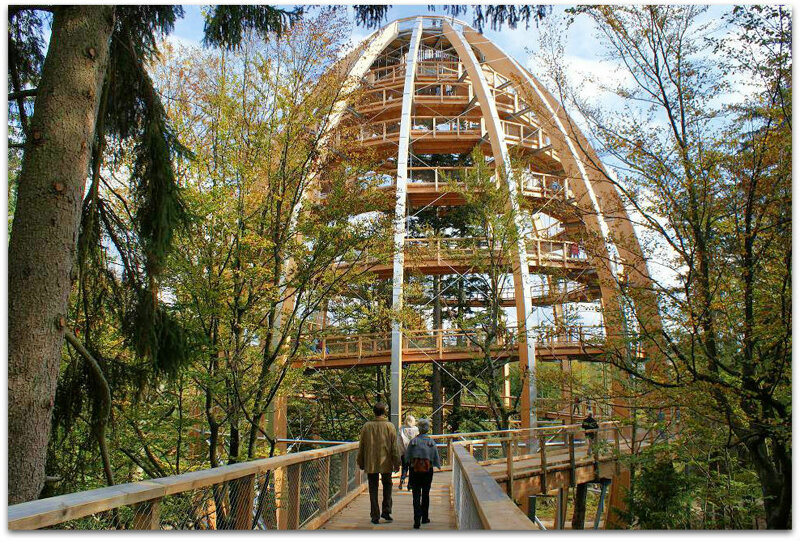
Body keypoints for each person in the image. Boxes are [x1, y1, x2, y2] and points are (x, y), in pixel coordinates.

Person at [357, 402, 401, 524]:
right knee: (388, 484)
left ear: (374, 412)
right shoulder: (389, 426)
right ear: (384, 412)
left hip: (371, 461)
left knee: (373, 487)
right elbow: (394, 447)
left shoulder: (367, 426)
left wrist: (360, 461)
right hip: (386, 461)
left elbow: (362, 446)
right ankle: (386, 511)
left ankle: (374, 515)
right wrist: (397, 462)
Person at [405, 418, 441, 529]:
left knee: (416, 494)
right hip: (427, 471)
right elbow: (435, 458)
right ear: (427, 429)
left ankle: (416, 520)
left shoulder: (413, 442)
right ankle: (425, 517)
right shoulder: (431, 442)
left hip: (415, 471)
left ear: (419, 429)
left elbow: (407, 458)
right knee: (426, 493)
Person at [397, 413, 419, 490]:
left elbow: (399, 442)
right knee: (412, 470)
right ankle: (410, 485)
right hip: (413, 453)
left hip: (404, 453)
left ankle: (402, 479)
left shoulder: (401, 429)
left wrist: (401, 452)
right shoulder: (416, 430)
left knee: (404, 468)